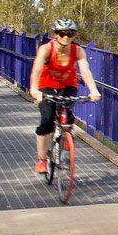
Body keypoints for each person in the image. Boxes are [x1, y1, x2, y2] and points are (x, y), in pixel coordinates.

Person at [29, 18, 101, 174]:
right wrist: (34, 90)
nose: (66, 37)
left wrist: (93, 90)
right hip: (46, 85)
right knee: (47, 120)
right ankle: (41, 159)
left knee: (67, 117)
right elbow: (36, 69)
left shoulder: (78, 51)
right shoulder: (46, 49)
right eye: (62, 34)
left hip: (68, 85)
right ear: (56, 35)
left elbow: (85, 71)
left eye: (70, 34)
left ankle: (66, 141)